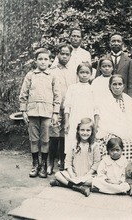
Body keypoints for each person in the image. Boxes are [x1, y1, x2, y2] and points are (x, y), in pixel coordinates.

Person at [19, 48, 61, 178]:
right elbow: (23, 94)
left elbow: (57, 96)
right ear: (36, 61)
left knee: (45, 140)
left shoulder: (53, 76)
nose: (43, 62)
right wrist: (24, 111)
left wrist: (55, 113)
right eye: (40, 59)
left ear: (50, 61)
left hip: (47, 113)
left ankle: (43, 164)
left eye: (45, 59)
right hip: (32, 112)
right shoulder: (30, 75)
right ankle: (35, 164)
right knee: (33, 140)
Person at [50, 118, 101, 197]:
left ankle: (65, 184)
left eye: (88, 130)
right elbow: (68, 162)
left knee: (98, 181)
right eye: (82, 130)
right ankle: (77, 187)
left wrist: (87, 175)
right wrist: (72, 174)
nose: (85, 133)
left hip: (88, 176)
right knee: (58, 174)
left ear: (92, 132)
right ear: (78, 131)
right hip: (74, 175)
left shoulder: (95, 146)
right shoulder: (73, 144)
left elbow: (96, 163)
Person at [48, 43, 76, 174]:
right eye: (62, 53)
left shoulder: (73, 70)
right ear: (57, 55)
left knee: (66, 135)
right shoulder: (52, 70)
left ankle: (63, 161)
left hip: (68, 108)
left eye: (67, 54)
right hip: (55, 108)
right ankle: (50, 163)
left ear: (70, 56)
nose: (64, 56)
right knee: (54, 136)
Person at [64, 62, 99, 155]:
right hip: (74, 118)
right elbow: (67, 106)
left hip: (88, 118)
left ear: (91, 74)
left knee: (87, 140)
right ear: (77, 73)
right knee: (72, 140)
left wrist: (96, 124)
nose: (84, 75)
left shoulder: (93, 89)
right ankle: (71, 164)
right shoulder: (72, 88)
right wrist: (67, 122)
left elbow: (96, 109)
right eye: (82, 72)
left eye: (87, 73)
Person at [96, 74, 132, 140]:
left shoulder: (130, 101)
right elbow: (103, 122)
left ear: (123, 86)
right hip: (110, 134)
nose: (117, 87)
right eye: (114, 84)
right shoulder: (104, 102)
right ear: (109, 86)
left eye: (120, 84)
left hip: (128, 134)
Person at [97, 34, 132, 99]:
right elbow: (98, 80)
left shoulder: (129, 61)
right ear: (110, 43)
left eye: (118, 41)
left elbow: (130, 84)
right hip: (105, 96)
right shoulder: (102, 60)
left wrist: (131, 99)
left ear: (122, 44)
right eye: (113, 41)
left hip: (123, 96)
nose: (116, 43)